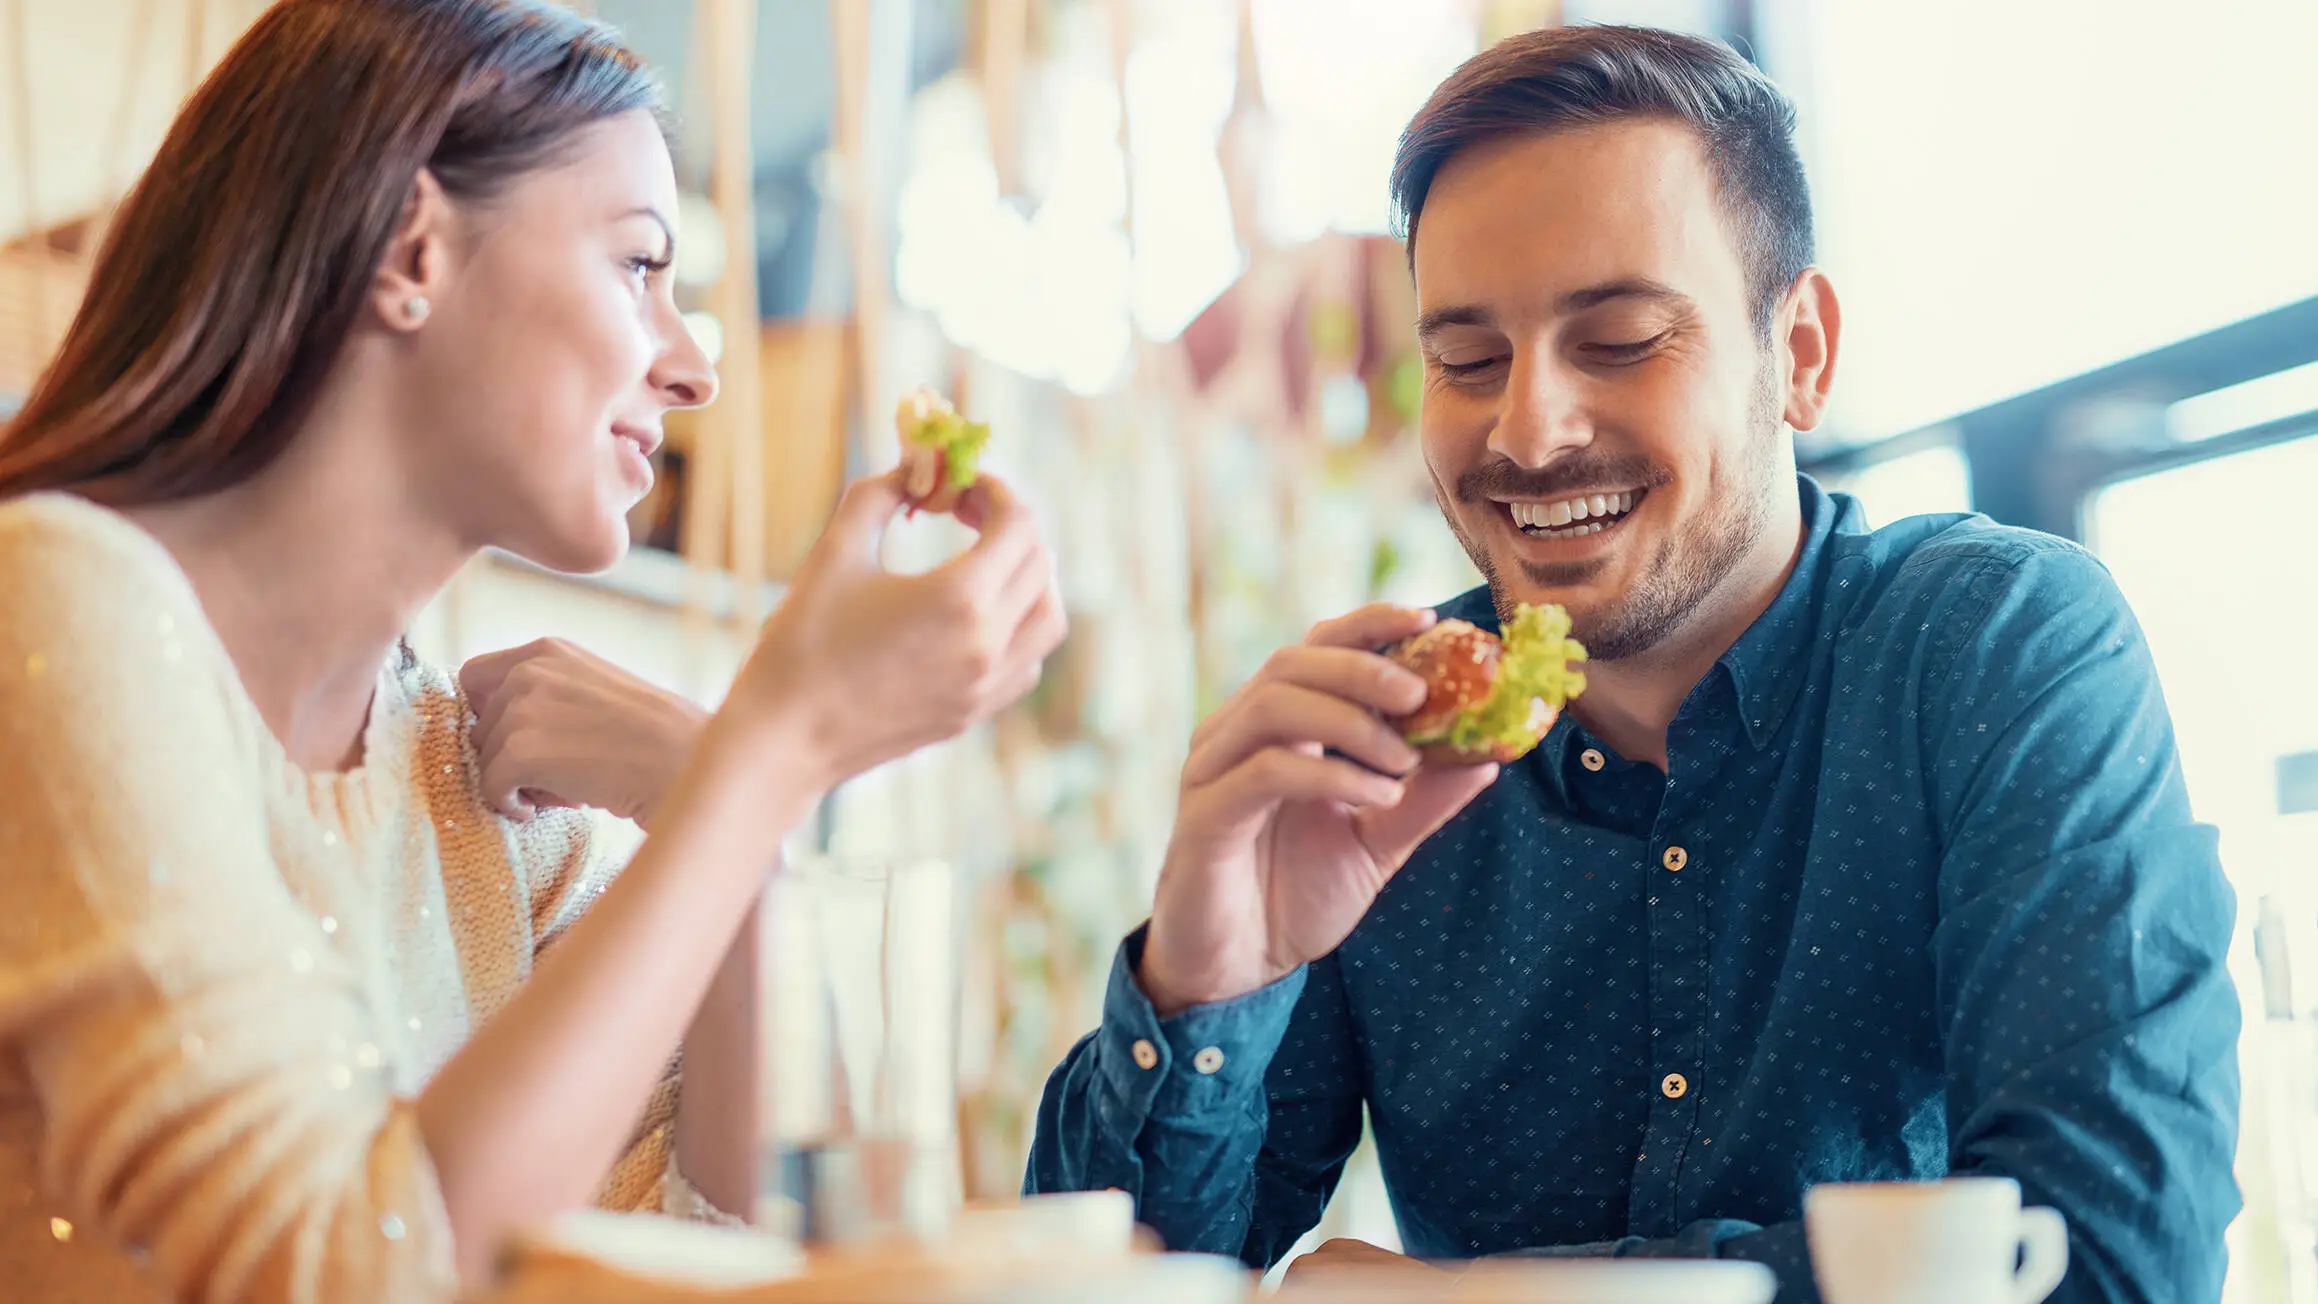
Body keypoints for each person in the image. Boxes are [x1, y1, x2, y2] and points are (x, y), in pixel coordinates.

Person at [1024, 24, 2239, 1302]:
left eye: (1616, 340)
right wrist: (1206, 980)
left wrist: (1459, 1295)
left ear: (1802, 354)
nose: (1527, 430)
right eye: (1466, 360)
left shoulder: (1996, 650)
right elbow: (1103, 1285)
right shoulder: (1374, 753)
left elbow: (2108, 1254)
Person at [0, 2, 1063, 1301]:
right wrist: (771, 749)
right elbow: (339, 1272)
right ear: (411, 250)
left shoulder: (480, 794)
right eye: (640, 267)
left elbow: (693, 1264)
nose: (694, 371)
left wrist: (735, 827)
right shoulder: (51, 600)